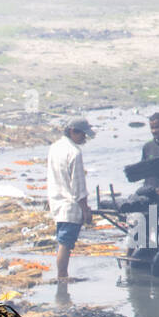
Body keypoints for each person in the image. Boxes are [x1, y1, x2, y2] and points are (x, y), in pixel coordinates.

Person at [46, 116, 94, 282]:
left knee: (62, 241)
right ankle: (62, 276)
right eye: (82, 134)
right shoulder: (75, 153)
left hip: (57, 202)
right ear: (73, 131)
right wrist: (86, 210)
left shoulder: (54, 147)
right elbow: (78, 186)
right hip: (70, 206)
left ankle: (62, 276)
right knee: (66, 244)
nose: (84, 138)